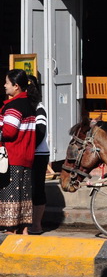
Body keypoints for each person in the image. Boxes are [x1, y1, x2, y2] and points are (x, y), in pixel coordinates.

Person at [0, 69, 37, 234]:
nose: (4, 85)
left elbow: (9, 132)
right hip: (26, 157)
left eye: (7, 82)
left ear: (16, 86)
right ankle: (24, 230)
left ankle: (11, 231)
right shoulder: (29, 104)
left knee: (10, 194)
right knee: (24, 194)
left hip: (12, 157)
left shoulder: (14, 106)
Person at [28, 75, 48, 234]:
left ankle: (37, 225)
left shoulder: (39, 109)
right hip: (26, 153)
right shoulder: (23, 107)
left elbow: (40, 132)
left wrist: (28, 147)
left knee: (37, 189)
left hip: (39, 154)